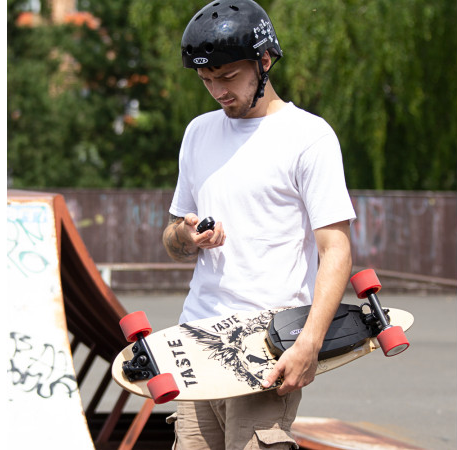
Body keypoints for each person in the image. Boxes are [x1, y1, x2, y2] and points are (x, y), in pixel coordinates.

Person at [162, 1, 356, 448]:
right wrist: (187, 237)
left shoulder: (309, 138)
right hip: (195, 342)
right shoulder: (198, 133)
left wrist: (309, 343)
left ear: (264, 61)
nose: (217, 90)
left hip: (265, 347)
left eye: (228, 77)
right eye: (206, 80)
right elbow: (173, 239)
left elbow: (336, 250)